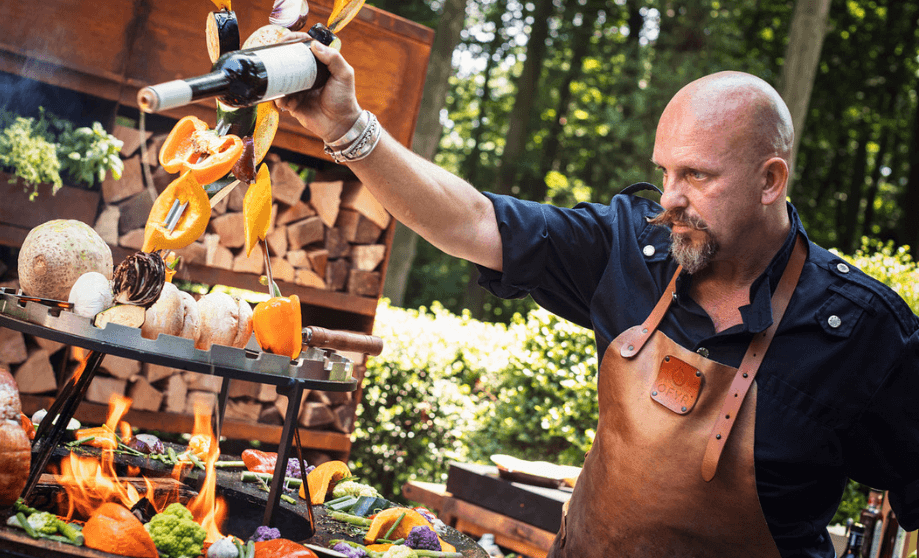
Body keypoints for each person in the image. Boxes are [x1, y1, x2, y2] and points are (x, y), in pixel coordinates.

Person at [277, 40, 919, 558]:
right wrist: (349, 129)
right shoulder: (628, 249)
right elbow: (472, 222)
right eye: (665, 171)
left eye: (696, 175)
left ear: (769, 181)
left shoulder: (863, 332)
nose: (669, 198)